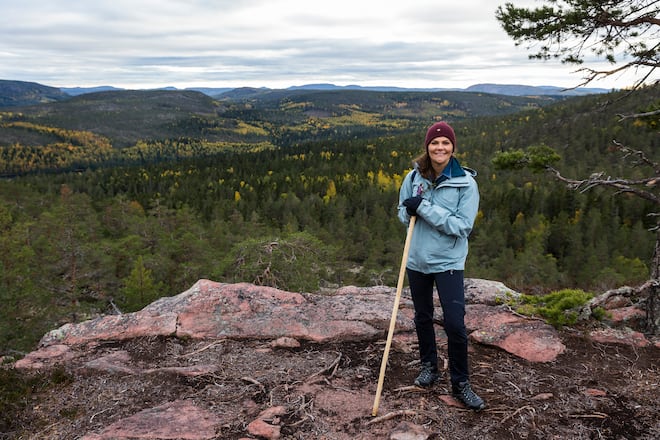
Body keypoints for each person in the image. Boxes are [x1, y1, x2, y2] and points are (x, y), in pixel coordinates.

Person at [397, 121, 485, 411]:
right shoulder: (413, 176)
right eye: (435, 143)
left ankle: (461, 383)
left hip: (448, 261)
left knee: (455, 324)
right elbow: (402, 212)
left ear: (453, 147)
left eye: (445, 143)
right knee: (422, 318)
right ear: (427, 147)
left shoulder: (465, 183)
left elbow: (462, 226)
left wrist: (423, 207)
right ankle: (429, 367)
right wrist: (409, 209)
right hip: (417, 259)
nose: (440, 147)